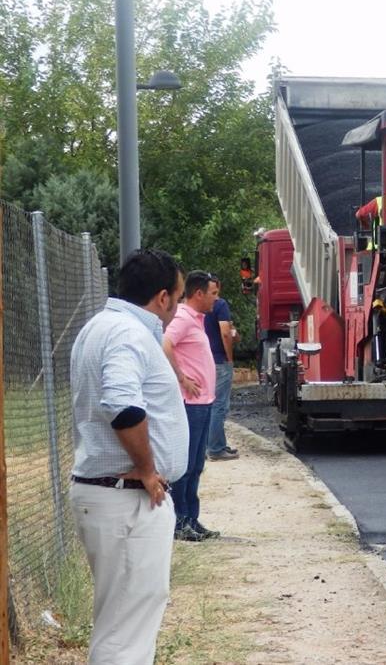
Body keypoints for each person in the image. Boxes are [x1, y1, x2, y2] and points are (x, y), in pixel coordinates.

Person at [69, 248, 187, 664]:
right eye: (178, 298)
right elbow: (122, 404)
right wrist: (148, 469)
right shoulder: (128, 333)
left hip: (113, 495)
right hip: (126, 498)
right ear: (162, 297)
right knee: (125, 634)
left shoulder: (102, 326)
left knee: (123, 622)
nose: (177, 308)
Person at [163, 270, 221, 542]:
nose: (216, 299)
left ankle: (192, 519)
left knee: (197, 464)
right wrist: (182, 377)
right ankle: (179, 521)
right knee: (185, 465)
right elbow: (165, 344)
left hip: (203, 402)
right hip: (190, 404)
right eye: (213, 293)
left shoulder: (196, 319)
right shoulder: (183, 318)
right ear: (198, 293)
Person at [205, 278, 239, 461]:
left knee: (207, 404)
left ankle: (212, 444)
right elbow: (226, 332)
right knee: (219, 405)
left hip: (204, 361)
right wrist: (229, 358)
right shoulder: (220, 305)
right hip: (219, 360)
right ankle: (216, 449)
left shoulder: (195, 308)